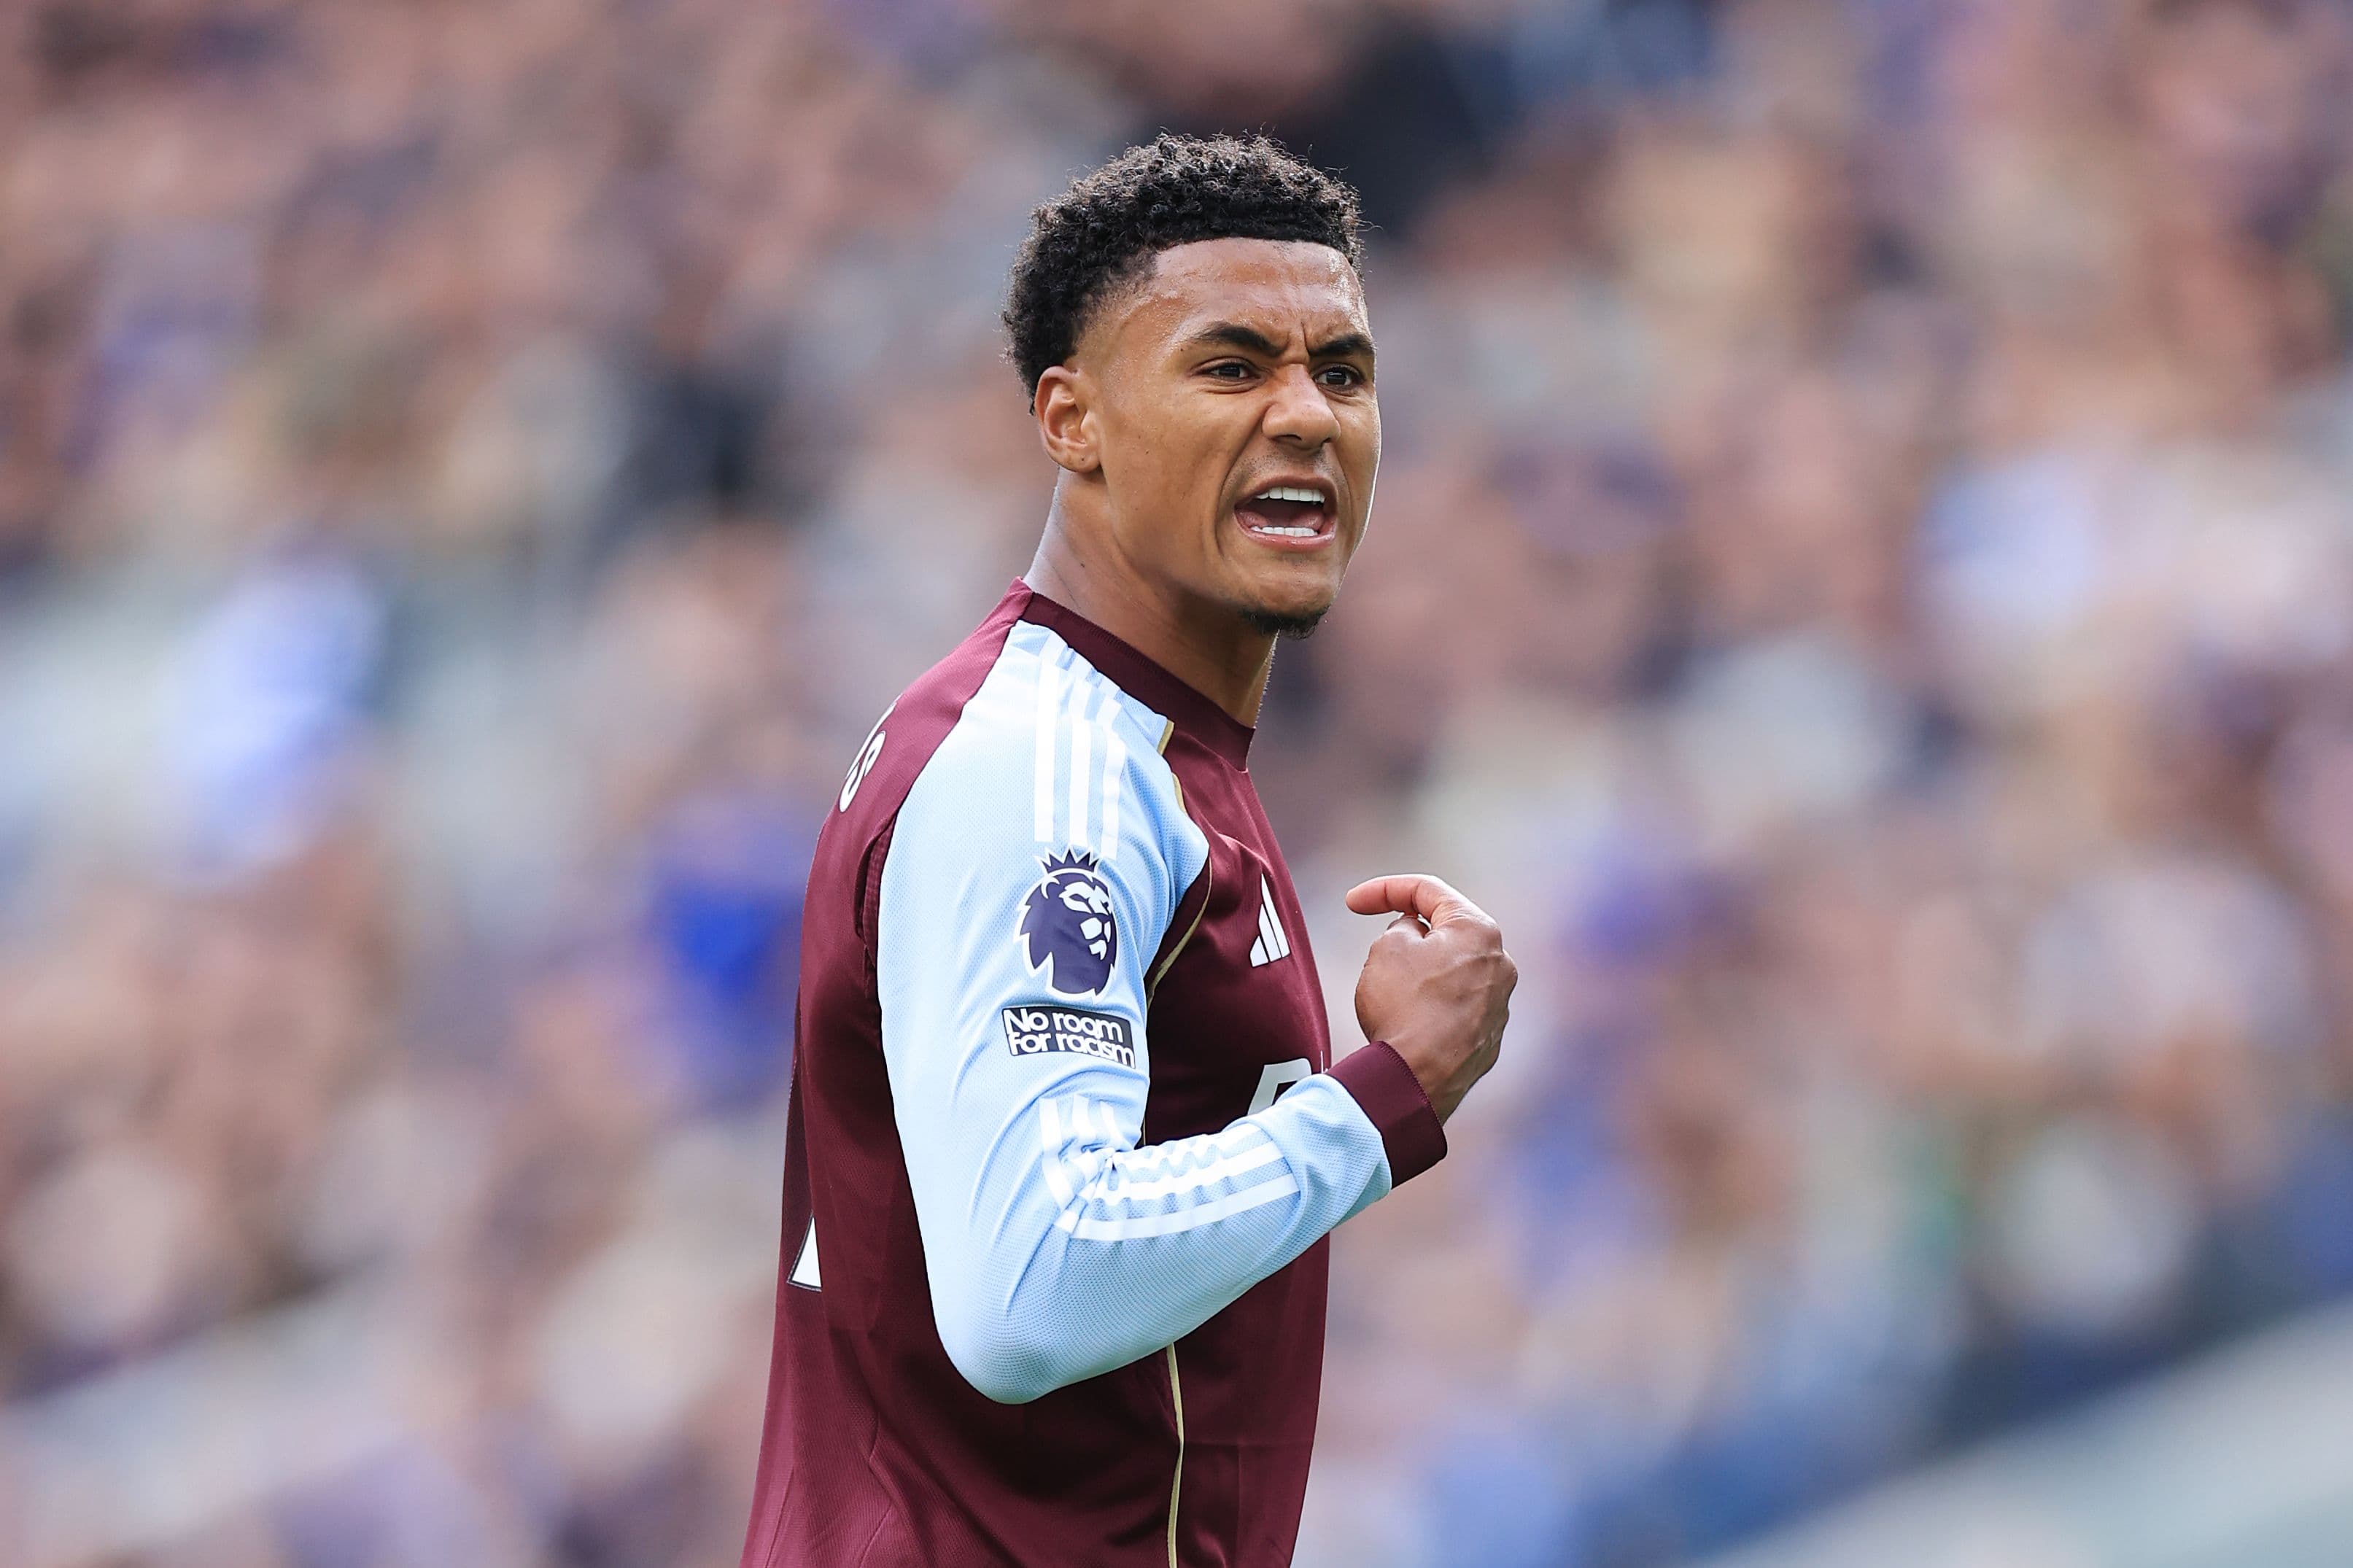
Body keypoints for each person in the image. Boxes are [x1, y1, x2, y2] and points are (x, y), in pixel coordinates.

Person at [738, 133, 1517, 1567]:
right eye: (1230, 367)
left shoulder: (1133, 750)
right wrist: (1384, 1096)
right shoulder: (1051, 779)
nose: (1305, 416)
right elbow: (1033, 1287)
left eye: (1339, 371)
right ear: (1069, 418)